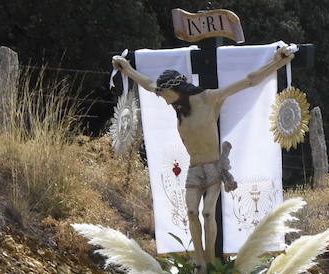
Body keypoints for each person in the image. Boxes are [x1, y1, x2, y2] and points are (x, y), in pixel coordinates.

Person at [113, 46, 297, 263]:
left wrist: (278, 63)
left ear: (177, 89)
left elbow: (250, 80)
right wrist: (127, 69)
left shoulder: (209, 99)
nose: (163, 99)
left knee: (208, 213)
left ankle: (210, 262)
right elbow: (148, 84)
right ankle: (200, 262)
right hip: (194, 168)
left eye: (165, 95)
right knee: (191, 212)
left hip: (212, 167)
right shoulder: (178, 107)